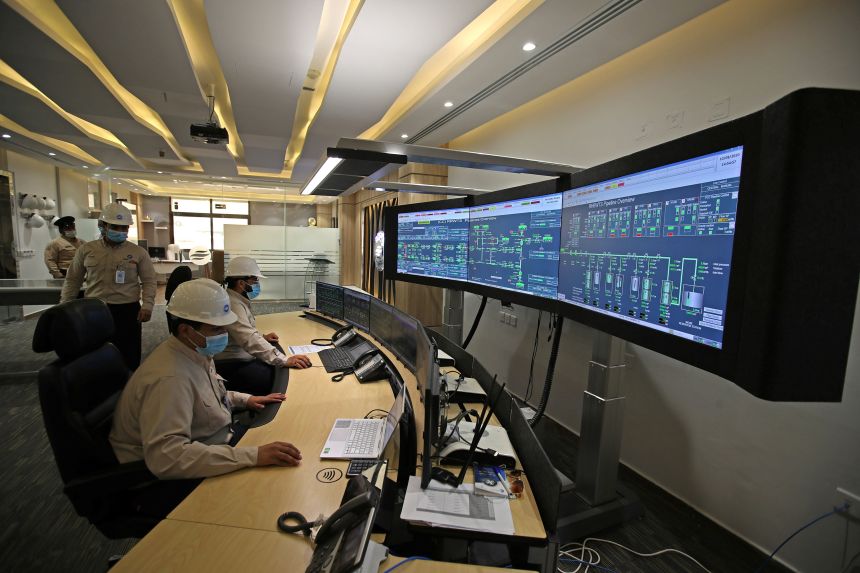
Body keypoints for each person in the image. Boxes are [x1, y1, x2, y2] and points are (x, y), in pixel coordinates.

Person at [110, 278, 302, 518]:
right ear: (186, 329)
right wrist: (251, 456)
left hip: (214, 440)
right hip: (170, 477)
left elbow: (209, 395)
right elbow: (167, 458)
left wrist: (246, 399)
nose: (224, 334)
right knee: (266, 501)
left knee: (285, 450)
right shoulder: (169, 378)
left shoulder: (193, 351)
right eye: (216, 329)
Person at [60, 202, 156, 369]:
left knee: (129, 354)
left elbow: (149, 281)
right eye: (115, 227)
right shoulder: (86, 250)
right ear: (103, 226)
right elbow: (73, 280)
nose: (120, 232)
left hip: (127, 310)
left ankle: (128, 388)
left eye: (124, 228)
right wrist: (65, 306)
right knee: (95, 353)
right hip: (94, 310)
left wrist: (147, 305)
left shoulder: (138, 252)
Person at [215, 256, 311, 395]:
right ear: (241, 283)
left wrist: (262, 337)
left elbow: (243, 331)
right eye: (254, 280)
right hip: (232, 364)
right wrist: (284, 359)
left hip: (239, 356)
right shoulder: (233, 304)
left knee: (277, 370)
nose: (257, 284)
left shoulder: (235, 299)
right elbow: (248, 338)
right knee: (280, 380)